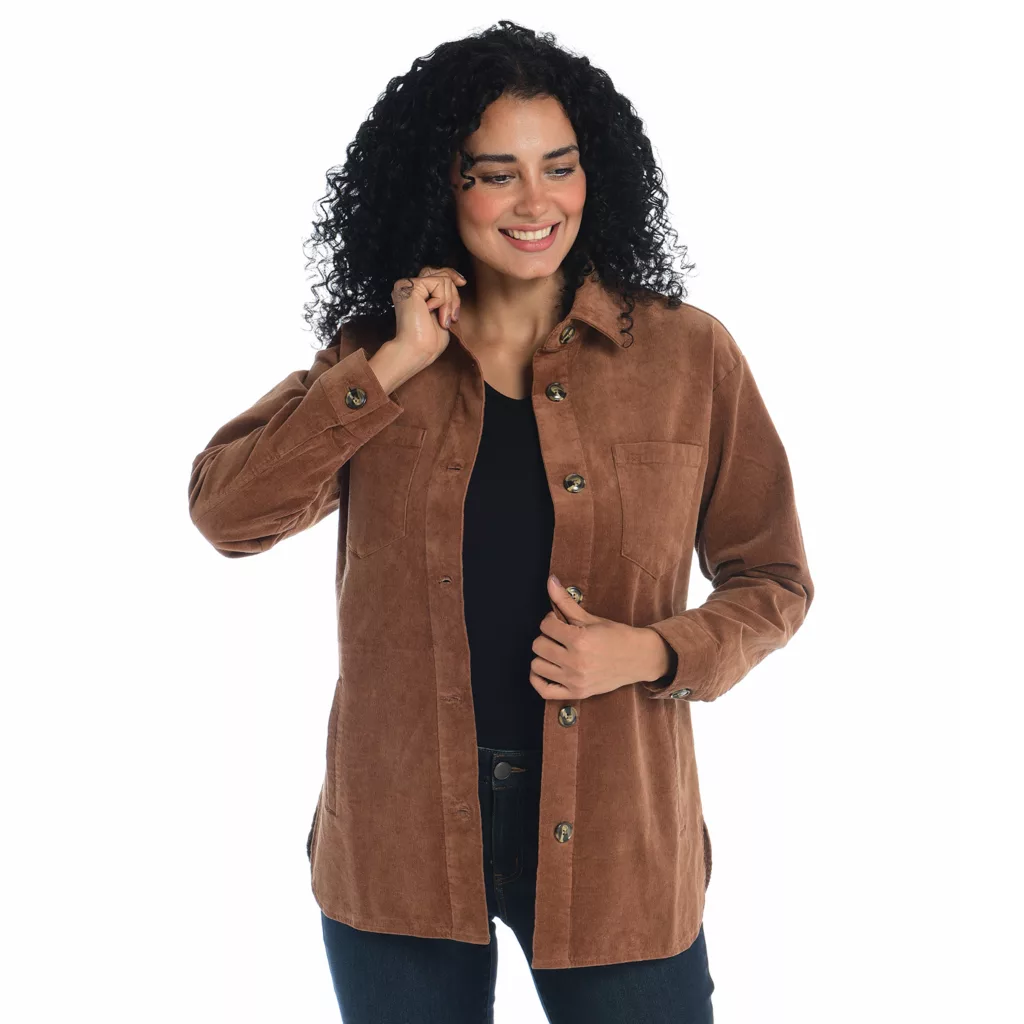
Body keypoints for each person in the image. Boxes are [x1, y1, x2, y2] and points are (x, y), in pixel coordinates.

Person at [187, 19, 814, 1024]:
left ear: (594, 173)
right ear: (441, 186)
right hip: (400, 832)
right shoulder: (375, 356)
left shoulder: (688, 357)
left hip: (616, 837)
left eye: (558, 167)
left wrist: (653, 650)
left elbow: (773, 578)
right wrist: (394, 363)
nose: (535, 202)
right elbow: (228, 512)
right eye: (495, 174)